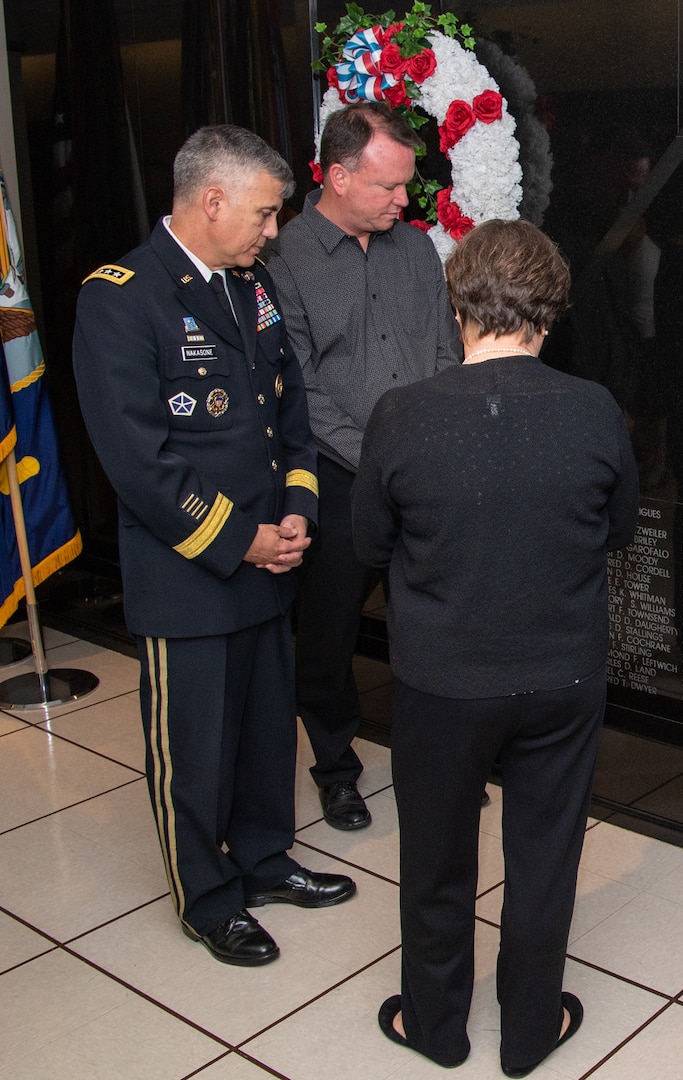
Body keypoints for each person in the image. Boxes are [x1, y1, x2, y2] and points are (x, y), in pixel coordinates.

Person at [352, 219, 639, 1074]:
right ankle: (528, 1031)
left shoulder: (399, 415)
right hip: (563, 673)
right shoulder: (593, 409)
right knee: (546, 854)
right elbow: (618, 530)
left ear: (457, 305)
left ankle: (435, 1027)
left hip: (442, 681)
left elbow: (369, 544)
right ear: (549, 313)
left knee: (436, 854)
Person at [72, 125, 356, 967]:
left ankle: (265, 861)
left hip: (269, 564)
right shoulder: (121, 296)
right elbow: (137, 460)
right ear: (213, 200)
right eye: (266, 214)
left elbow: (289, 417)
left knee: (267, 735)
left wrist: (298, 513)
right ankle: (208, 897)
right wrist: (243, 539)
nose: (275, 232)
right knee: (194, 752)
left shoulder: (252, 287)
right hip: (191, 572)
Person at [264, 102, 462, 832]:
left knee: (432, 623)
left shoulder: (414, 250)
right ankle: (335, 766)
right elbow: (300, 387)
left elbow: (444, 347)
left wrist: (429, 447)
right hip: (341, 478)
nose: (403, 200)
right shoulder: (283, 259)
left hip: (424, 467)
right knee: (329, 630)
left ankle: (438, 759)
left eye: (406, 186)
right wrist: (379, 460)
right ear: (339, 177)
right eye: (388, 187)